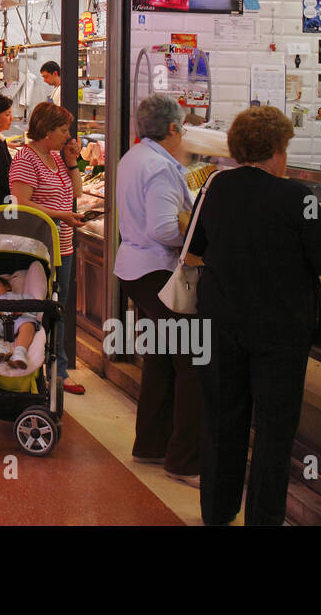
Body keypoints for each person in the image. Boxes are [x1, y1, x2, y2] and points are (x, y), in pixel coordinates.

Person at [188, 106, 321, 525]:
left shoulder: (217, 187)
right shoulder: (300, 197)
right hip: (280, 333)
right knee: (274, 432)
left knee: (222, 421)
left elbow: (195, 249)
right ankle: (263, 519)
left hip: (219, 326)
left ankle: (217, 514)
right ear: (277, 149)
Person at [113, 94, 200, 486]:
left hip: (135, 270)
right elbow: (163, 228)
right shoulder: (160, 168)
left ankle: (150, 444)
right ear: (172, 129)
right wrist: (200, 227)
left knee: (162, 360)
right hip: (159, 273)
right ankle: (184, 461)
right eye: (181, 127)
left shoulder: (135, 158)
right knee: (193, 364)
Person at [9, 101, 86, 396]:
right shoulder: (26, 159)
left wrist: (71, 161)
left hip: (62, 245)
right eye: (63, 129)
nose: (68, 136)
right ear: (46, 130)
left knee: (58, 308)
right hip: (38, 247)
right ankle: (33, 361)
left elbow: (76, 191)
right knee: (39, 306)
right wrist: (61, 216)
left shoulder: (55, 158)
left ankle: (58, 368)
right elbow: (21, 203)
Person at [0, 274, 41, 370]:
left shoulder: (21, 296)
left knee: (28, 324)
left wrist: (22, 310)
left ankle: (20, 353)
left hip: (19, 319)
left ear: (7, 287)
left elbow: (34, 306)